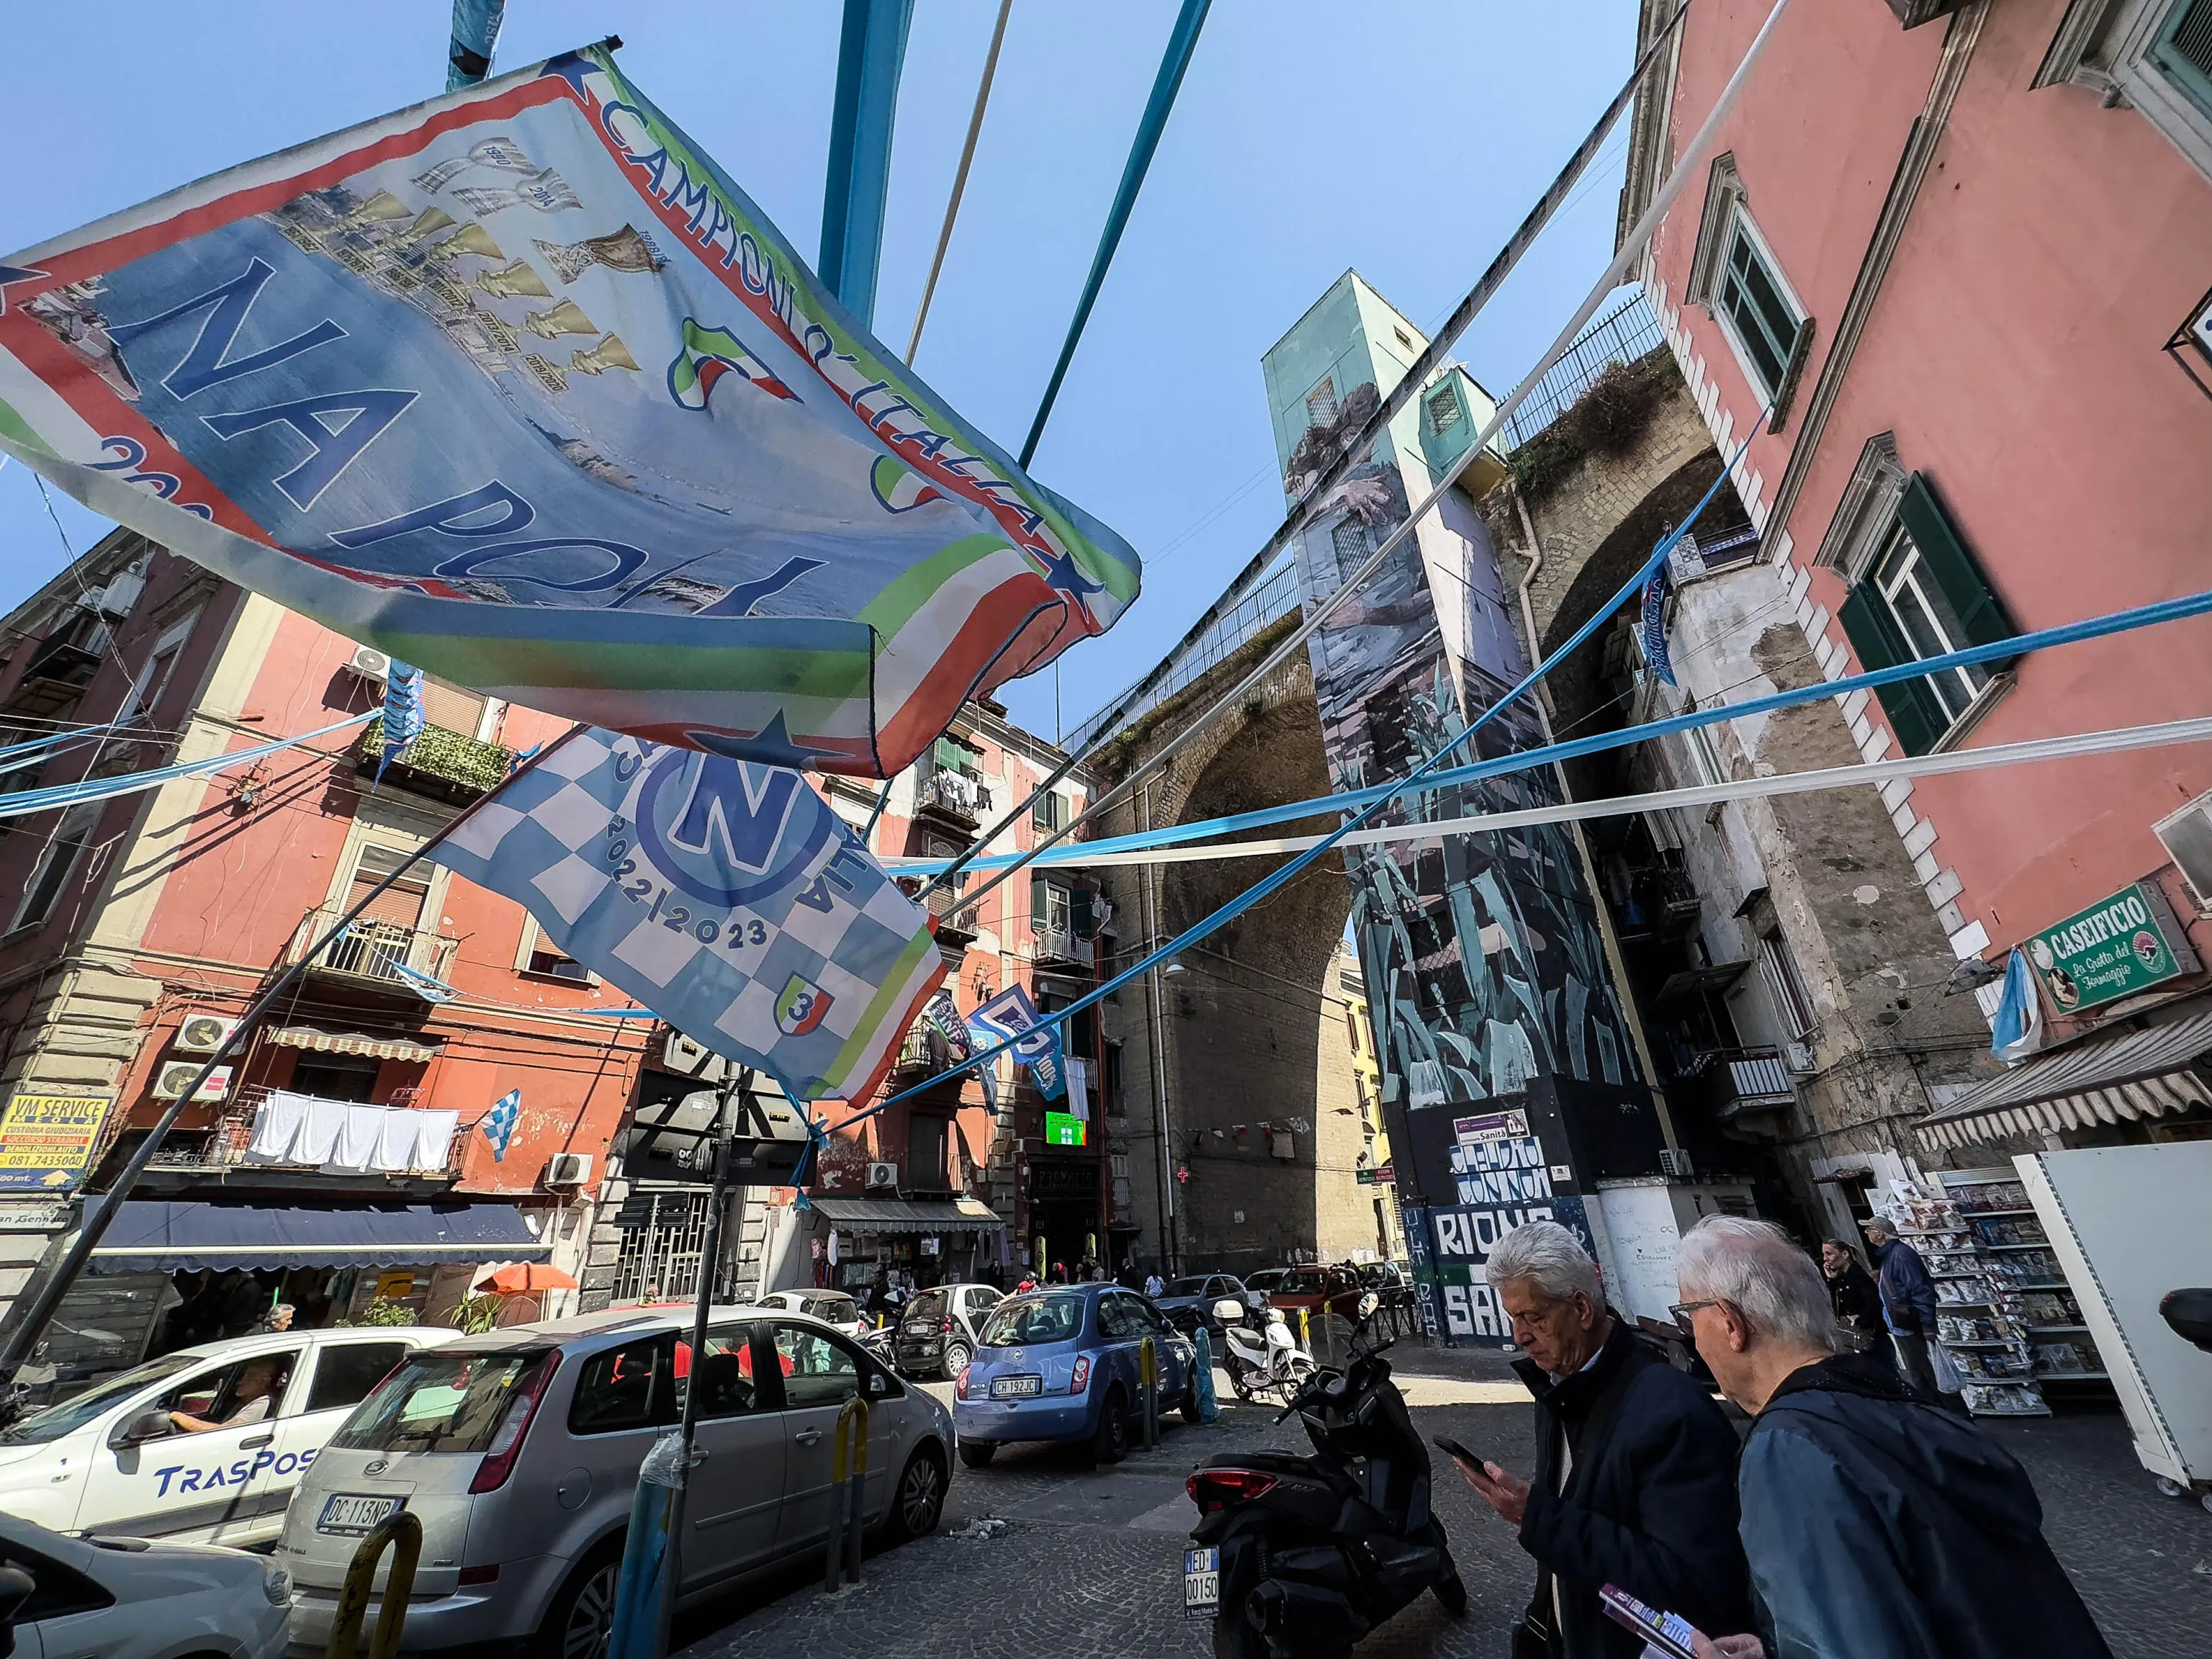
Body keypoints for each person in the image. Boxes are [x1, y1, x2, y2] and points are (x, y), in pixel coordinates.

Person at [1671, 1215, 2113, 1659]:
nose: (1694, 1336)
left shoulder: (1788, 1449)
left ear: (1731, 1324)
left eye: (1689, 1315)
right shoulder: (1897, 1403)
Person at [1453, 1221, 1750, 1658]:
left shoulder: (1674, 1412)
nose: (1519, 1336)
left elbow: (1693, 1585)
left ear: (1582, 1308)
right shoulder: (1557, 1387)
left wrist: (1538, 1517)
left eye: (1532, 1317)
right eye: (1512, 1318)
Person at [1860, 1218, 1940, 1397]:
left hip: (1910, 1322)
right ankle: (1932, 1406)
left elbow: (1920, 1290)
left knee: (1926, 1371)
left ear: (1879, 1233)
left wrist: (1928, 1325)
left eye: (1869, 1229)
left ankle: (1952, 1411)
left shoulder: (1900, 1255)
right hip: (1901, 1324)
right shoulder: (1890, 1255)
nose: (1867, 1234)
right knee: (1917, 1371)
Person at [169, 1355, 289, 1434]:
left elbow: (223, 1432)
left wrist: (178, 1417)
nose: (240, 1381)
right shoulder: (244, 1401)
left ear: (264, 1381)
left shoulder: (263, 1403)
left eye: (249, 1376)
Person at [1817, 1241, 1881, 1349]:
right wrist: (1832, 1280)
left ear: (1845, 1255)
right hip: (1854, 1337)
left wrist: (1859, 1321)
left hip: (1870, 1335)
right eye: (1824, 1254)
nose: (1825, 1259)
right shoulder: (1842, 1278)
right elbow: (1834, 1304)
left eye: (1829, 1254)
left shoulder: (1858, 1276)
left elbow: (1874, 1303)